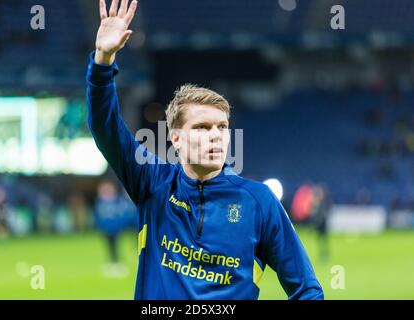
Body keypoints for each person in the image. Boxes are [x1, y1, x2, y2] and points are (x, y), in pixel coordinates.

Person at [86, 0, 323, 299]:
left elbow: (307, 290)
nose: (215, 137)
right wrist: (103, 60)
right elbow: (105, 127)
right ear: (176, 138)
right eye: (201, 128)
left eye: (221, 127)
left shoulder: (259, 202)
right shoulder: (153, 183)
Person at [94, 180, 134, 278]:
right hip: (106, 229)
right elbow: (98, 216)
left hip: (115, 228)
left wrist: (121, 225)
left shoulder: (118, 201)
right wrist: (100, 226)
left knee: (116, 245)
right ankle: (113, 263)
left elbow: (122, 214)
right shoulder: (100, 201)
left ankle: (118, 263)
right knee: (109, 246)